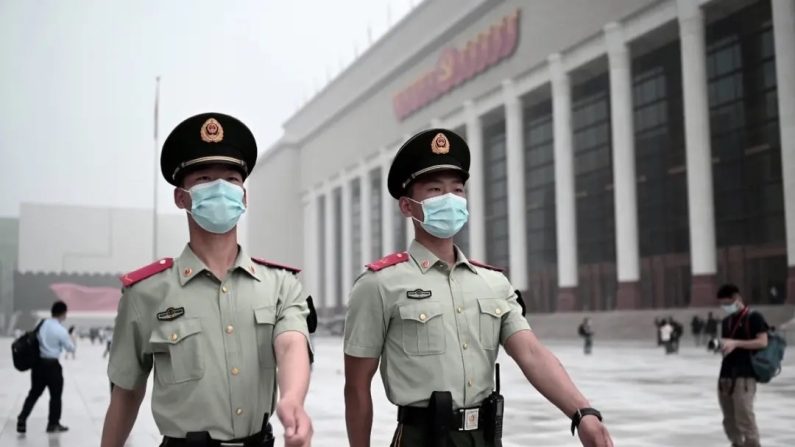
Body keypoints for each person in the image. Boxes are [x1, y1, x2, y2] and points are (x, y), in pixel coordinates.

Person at [343, 129, 613, 447]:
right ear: (407, 206)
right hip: (420, 439)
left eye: (458, 190)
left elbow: (531, 353)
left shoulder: (493, 283)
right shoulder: (379, 284)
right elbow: (357, 386)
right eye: (435, 189)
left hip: (484, 438)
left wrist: (582, 412)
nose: (450, 199)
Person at [100, 113, 314, 447]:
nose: (219, 188)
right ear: (181, 197)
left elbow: (291, 344)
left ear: (243, 197)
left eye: (231, 179)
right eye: (203, 178)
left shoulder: (279, 284)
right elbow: (126, 393)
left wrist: (292, 399)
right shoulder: (146, 293)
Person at [716, 284, 769, 447]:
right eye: (722, 304)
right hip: (725, 375)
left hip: (744, 375)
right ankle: (737, 444)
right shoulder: (726, 321)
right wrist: (723, 346)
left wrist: (736, 343)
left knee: (744, 417)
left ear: (737, 299)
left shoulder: (754, 317)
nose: (725, 307)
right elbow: (729, 344)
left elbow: (762, 342)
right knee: (729, 419)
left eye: (727, 303)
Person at [17, 300, 75, 433]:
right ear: (63, 313)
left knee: (34, 393)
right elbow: (70, 348)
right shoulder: (61, 330)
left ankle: (22, 419)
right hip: (53, 366)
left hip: (38, 365)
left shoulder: (41, 323)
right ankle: (53, 424)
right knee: (55, 396)